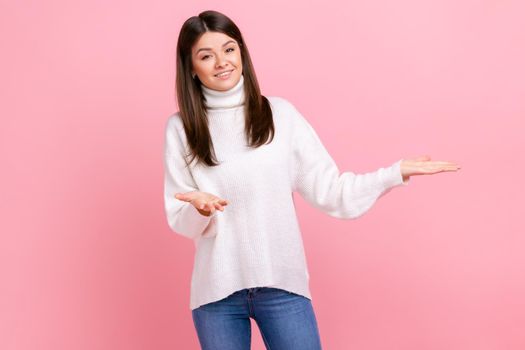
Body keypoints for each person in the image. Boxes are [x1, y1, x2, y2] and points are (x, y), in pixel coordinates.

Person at [163, 10, 461, 350]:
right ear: (191, 67)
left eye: (229, 49)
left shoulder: (280, 115)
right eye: (206, 55)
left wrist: (394, 173)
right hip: (216, 292)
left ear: (241, 52)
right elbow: (179, 218)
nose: (221, 62)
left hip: (282, 285)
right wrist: (200, 210)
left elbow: (331, 191)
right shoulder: (180, 129)